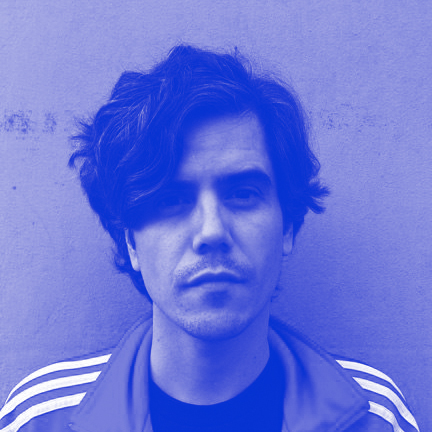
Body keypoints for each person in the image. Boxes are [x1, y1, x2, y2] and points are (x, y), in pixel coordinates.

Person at [0, 45, 419, 432]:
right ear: (130, 242)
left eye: (243, 194)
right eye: (171, 200)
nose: (212, 231)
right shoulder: (39, 421)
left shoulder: (375, 419)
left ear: (287, 225)